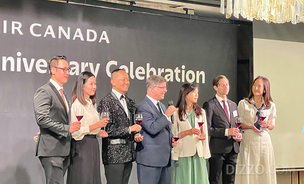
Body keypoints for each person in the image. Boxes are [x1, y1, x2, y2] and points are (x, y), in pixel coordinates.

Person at [33, 55, 81, 184]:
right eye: (64, 69)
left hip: (63, 150)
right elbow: (42, 118)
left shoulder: (61, 92)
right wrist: (67, 128)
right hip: (51, 150)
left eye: (68, 69)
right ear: (53, 70)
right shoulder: (44, 91)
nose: (67, 73)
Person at [97, 69, 143, 184]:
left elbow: (131, 126)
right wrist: (129, 129)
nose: (127, 82)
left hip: (128, 154)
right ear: (113, 81)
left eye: (128, 79)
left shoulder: (129, 101)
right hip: (113, 156)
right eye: (123, 79)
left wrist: (135, 135)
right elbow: (107, 130)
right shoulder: (106, 102)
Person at [67, 71, 109, 184]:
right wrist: (96, 126)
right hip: (81, 146)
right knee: (83, 177)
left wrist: (98, 132)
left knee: (93, 178)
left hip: (93, 145)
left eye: (95, 83)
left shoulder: (92, 104)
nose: (94, 86)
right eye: (91, 83)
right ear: (82, 85)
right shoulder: (77, 105)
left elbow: (91, 127)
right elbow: (76, 132)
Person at [136, 75, 178, 184]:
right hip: (150, 161)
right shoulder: (143, 107)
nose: (166, 90)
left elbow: (166, 128)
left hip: (165, 160)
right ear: (152, 88)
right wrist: (167, 114)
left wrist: (171, 139)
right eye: (162, 87)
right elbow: (152, 128)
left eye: (165, 87)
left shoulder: (162, 106)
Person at [235, 76, 277, 184]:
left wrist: (266, 125)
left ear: (264, 89)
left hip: (264, 140)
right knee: (249, 169)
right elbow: (239, 123)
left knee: (264, 169)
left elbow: (272, 125)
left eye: (259, 86)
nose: (256, 88)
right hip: (249, 139)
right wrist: (250, 126)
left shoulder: (270, 105)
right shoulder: (243, 103)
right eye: (254, 85)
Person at [203, 75, 242, 184]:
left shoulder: (233, 105)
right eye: (223, 84)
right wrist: (226, 132)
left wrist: (240, 134)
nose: (226, 87)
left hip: (233, 149)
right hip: (218, 150)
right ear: (215, 87)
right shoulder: (210, 105)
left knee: (230, 180)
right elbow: (207, 129)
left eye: (227, 84)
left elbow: (238, 125)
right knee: (214, 180)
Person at [172, 83, 211, 184]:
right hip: (183, 154)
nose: (196, 95)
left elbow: (204, 132)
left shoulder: (201, 112)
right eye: (193, 92)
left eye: (197, 93)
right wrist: (187, 132)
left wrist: (203, 137)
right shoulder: (176, 113)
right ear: (185, 94)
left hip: (198, 153)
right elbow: (173, 135)